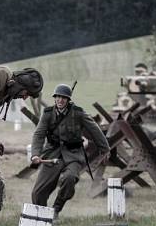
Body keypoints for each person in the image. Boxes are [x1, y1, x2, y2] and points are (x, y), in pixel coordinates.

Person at [30, 84, 109, 218]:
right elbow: (39, 134)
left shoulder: (78, 113)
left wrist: (105, 149)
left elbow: (94, 129)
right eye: (58, 97)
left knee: (70, 178)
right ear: (55, 98)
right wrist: (35, 154)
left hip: (73, 155)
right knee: (37, 192)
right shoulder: (48, 113)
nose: (60, 100)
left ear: (68, 100)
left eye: (64, 98)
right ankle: (42, 214)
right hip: (52, 154)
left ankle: (56, 209)